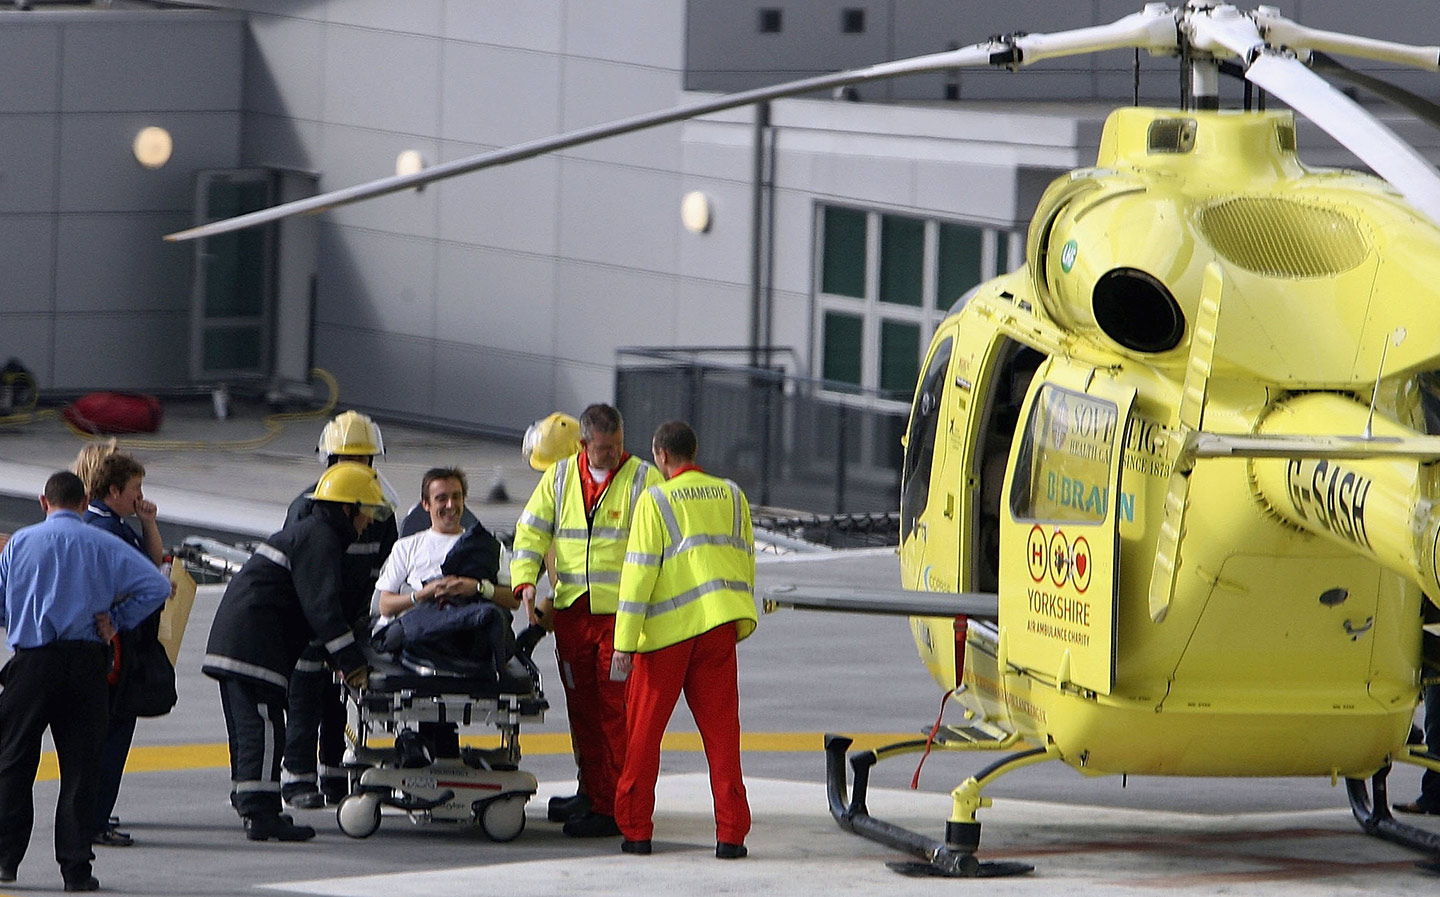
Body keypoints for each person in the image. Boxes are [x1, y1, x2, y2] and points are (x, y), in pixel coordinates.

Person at [0, 471, 170, 891]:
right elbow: (155, 585)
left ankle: (5, 860)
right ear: (82, 504)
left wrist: (18, 619)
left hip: (33, 662)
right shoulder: (102, 542)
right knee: (81, 768)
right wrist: (117, 620)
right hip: (86, 663)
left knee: (14, 762)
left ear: (44, 502)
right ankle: (76, 868)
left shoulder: (20, 543)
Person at [202, 462, 389, 842]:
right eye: (366, 513)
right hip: (254, 646)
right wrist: (354, 666)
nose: (369, 523)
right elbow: (323, 611)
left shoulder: (309, 533)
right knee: (266, 728)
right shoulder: (321, 539)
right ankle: (262, 813)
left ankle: (249, 800)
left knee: (247, 728)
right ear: (347, 508)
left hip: (238, 641)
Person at [510, 403, 662, 837]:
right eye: (603, 449)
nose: (612, 455)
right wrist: (524, 581)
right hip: (574, 613)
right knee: (582, 709)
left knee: (615, 712)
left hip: (619, 616)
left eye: (617, 447)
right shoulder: (558, 479)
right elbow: (531, 532)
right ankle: (591, 789)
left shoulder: (643, 479)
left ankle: (613, 806)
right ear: (583, 445)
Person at [609, 421, 757, 859]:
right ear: (694, 451)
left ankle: (636, 832)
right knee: (723, 737)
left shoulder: (656, 500)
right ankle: (731, 835)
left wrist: (624, 641)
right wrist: (735, 620)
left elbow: (638, 575)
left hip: (666, 638)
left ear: (660, 454)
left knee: (642, 737)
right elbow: (745, 558)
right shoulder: (731, 494)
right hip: (718, 629)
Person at [280, 411, 398, 810]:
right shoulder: (308, 508)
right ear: (330, 462)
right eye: (346, 460)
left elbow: (386, 572)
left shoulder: (381, 511)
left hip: (350, 621)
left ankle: (333, 777)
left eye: (362, 460)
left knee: (336, 701)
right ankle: (296, 780)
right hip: (310, 621)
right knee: (303, 699)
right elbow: (304, 582)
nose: (354, 467)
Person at [81, 452, 169, 848]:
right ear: (114, 490)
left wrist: (147, 522)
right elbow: (149, 577)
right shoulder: (107, 531)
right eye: (135, 489)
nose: (140, 497)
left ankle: (94, 811)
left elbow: (148, 563)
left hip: (107, 647)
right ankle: (95, 817)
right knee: (111, 736)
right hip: (116, 650)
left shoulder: (113, 524)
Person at [374, 467, 518, 623]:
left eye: (456, 497)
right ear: (426, 504)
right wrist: (424, 594)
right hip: (419, 636)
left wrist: (478, 588)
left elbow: (513, 600)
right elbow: (385, 606)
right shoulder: (405, 547)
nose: (450, 505)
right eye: (441, 498)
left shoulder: (489, 546)